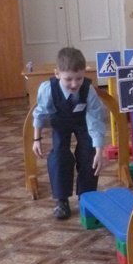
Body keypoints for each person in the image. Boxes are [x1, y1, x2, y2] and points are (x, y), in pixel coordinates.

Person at [32, 47, 107, 220]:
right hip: (60, 122)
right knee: (59, 155)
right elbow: (40, 113)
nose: (74, 84)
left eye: (79, 78)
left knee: (89, 155)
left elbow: (95, 119)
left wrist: (99, 150)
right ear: (57, 74)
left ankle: (86, 198)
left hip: (83, 122)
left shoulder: (88, 90)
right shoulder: (48, 89)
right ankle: (62, 200)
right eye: (68, 79)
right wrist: (37, 139)